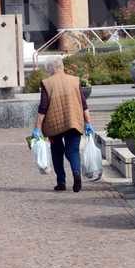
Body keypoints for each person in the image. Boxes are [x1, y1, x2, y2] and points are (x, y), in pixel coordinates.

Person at [32, 56, 93, 193]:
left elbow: (43, 107)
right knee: (73, 151)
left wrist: (37, 127)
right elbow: (83, 104)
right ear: (61, 66)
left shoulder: (47, 83)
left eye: (48, 69)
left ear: (51, 68)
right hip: (74, 120)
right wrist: (88, 122)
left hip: (54, 124)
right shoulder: (75, 80)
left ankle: (61, 182)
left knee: (57, 151)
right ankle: (76, 173)